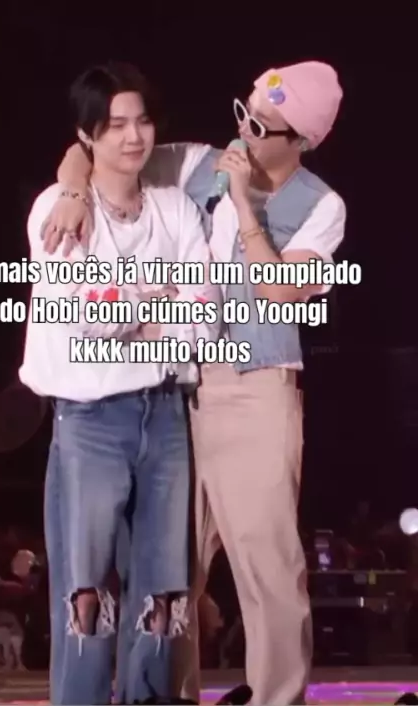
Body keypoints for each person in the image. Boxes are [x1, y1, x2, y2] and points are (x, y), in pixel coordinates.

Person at [40, 61, 346, 705]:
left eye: (262, 126)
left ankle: (278, 697)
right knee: (173, 566)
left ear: (303, 140)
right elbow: (98, 145)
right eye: (243, 113)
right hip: (178, 390)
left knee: (266, 562)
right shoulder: (198, 163)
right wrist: (71, 189)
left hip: (255, 387)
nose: (243, 132)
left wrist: (244, 207)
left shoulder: (321, 204)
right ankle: (170, 694)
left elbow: (282, 290)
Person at [19, 62, 221, 705]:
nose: (134, 137)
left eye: (143, 121)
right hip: (89, 419)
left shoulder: (174, 208)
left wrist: (137, 307)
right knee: (86, 593)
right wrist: (161, 298)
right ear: (86, 135)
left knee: (163, 592)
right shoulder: (58, 209)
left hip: (164, 415)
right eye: (114, 125)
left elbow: (207, 316)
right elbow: (87, 317)